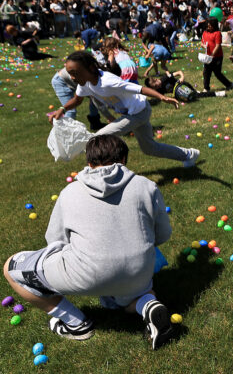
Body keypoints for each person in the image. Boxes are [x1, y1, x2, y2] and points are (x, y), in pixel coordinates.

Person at [3, 134, 176, 349]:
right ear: (124, 159)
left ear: (89, 163)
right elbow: (163, 235)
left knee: (11, 267)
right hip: (139, 273)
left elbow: (54, 242)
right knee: (130, 291)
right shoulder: (146, 186)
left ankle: (76, 323)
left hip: (88, 275)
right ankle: (147, 304)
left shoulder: (70, 192)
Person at [47, 51, 200, 167]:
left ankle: (108, 172)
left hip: (139, 112)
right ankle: (189, 155)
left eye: (75, 73)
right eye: (70, 74)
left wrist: (162, 97)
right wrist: (62, 108)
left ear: (90, 68)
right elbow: (77, 100)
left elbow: (138, 88)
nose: (72, 77)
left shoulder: (107, 81)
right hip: (135, 112)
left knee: (98, 138)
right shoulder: (84, 83)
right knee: (150, 148)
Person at [201, 17, 233, 93]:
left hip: (217, 57)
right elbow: (202, 43)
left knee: (217, 73)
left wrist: (212, 55)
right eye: (208, 26)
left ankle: (229, 84)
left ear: (214, 25)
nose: (209, 27)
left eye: (210, 26)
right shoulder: (205, 32)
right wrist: (204, 46)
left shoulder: (217, 33)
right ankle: (206, 88)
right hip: (207, 57)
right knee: (206, 72)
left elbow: (218, 46)